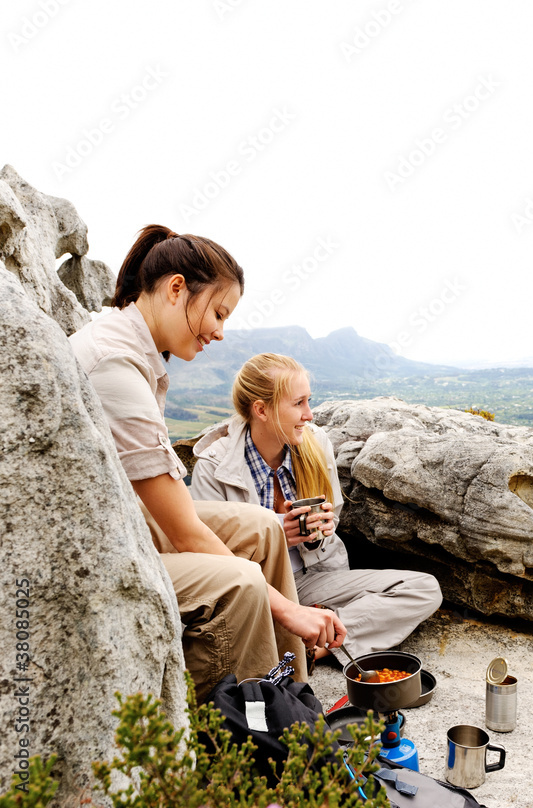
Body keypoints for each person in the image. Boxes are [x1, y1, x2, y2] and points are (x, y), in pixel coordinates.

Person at [69, 225, 345, 701]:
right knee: (240, 580)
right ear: (176, 288)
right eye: (218, 312)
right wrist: (289, 610)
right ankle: (244, 727)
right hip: (97, 550)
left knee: (263, 527)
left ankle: (294, 702)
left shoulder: (133, 348)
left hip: (124, 522)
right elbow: (183, 531)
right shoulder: (114, 362)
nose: (220, 331)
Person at [190, 352, 442, 667]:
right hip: (262, 589)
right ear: (261, 410)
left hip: (316, 579)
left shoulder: (314, 443)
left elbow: (331, 514)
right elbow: (213, 560)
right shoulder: (214, 467)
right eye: (298, 404)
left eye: (308, 401)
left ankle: (312, 647)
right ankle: (307, 629)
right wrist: (275, 533)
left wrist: (317, 531)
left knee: (423, 588)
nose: (309, 414)